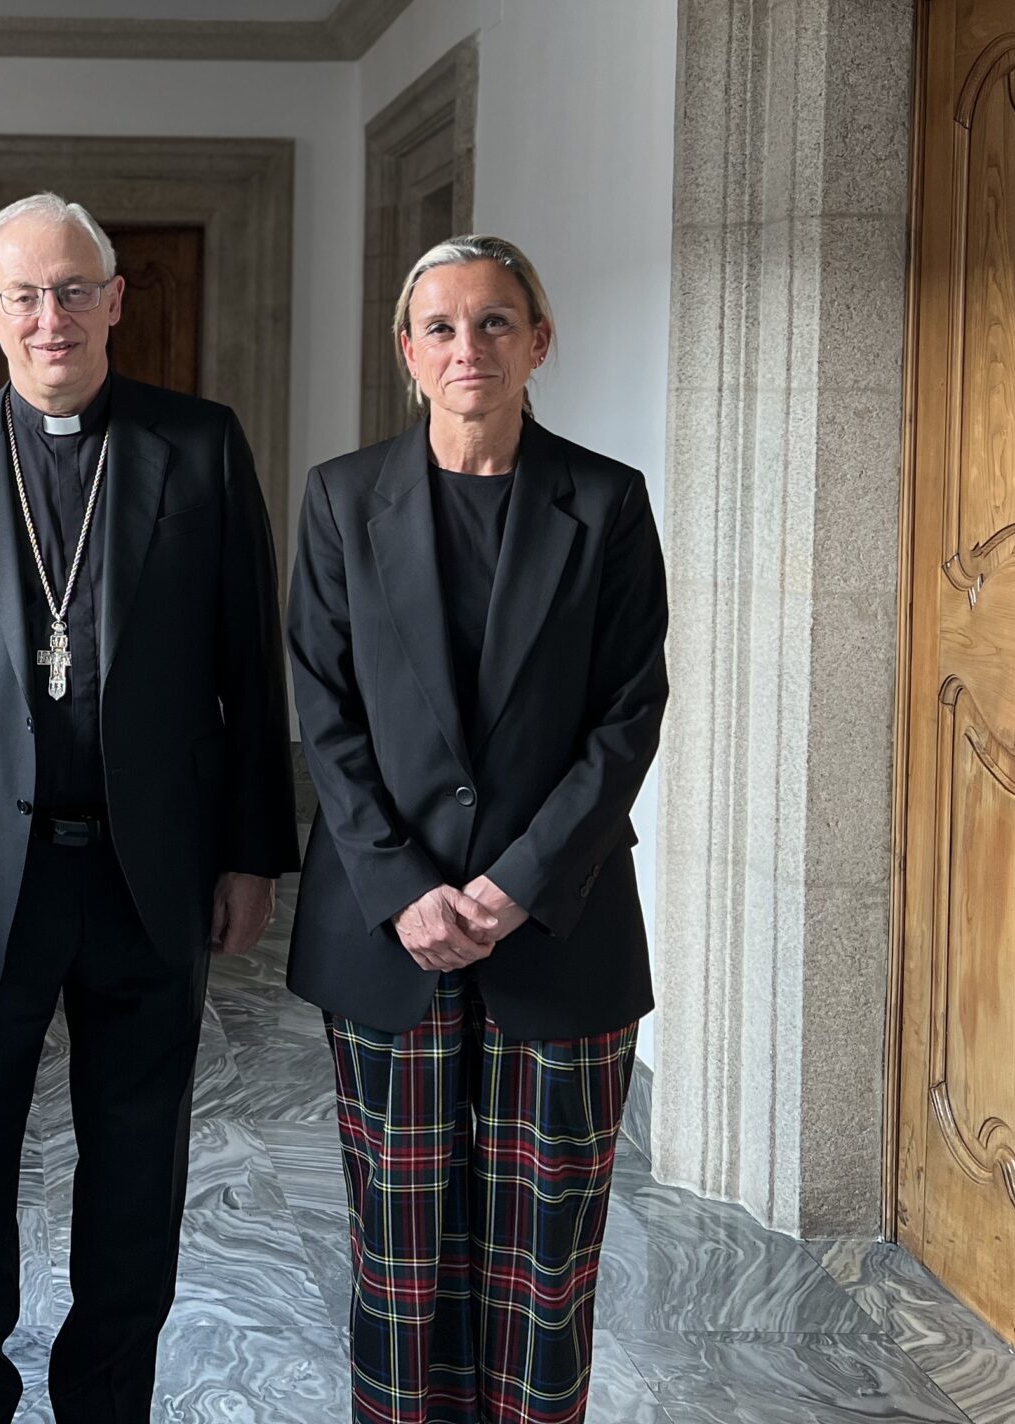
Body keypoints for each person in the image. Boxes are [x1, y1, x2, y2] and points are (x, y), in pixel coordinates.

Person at [0, 191, 297, 1423]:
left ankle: (107, 1400)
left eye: (76, 290)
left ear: (115, 302)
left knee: (138, 1166)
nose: (53, 317)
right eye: (26, 295)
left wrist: (252, 854)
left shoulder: (198, 446)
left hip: (149, 870)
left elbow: (248, 664)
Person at [284, 234, 668, 1424]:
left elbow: (627, 714)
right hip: (384, 934)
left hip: (558, 928)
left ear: (538, 343)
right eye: (441, 327)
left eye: (495, 321)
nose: (469, 347)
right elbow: (322, 709)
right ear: (407, 352)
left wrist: (515, 884)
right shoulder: (341, 499)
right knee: (399, 1258)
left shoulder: (605, 502)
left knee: (544, 1263)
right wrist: (404, 886)